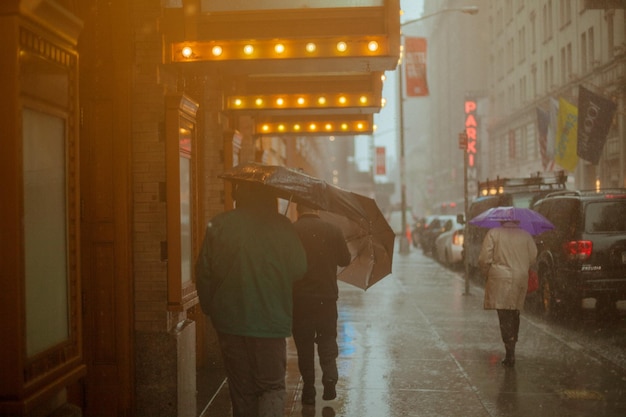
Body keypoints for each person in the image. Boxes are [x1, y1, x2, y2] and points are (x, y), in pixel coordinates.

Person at [196, 182, 307, 417]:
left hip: (230, 321)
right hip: (270, 322)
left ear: (238, 195)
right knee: (271, 387)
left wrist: (210, 308)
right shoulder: (282, 225)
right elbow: (299, 268)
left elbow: (204, 272)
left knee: (241, 389)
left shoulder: (220, 224)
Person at [292, 203, 351, 405]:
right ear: (317, 209)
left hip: (300, 299)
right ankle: (330, 376)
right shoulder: (333, 230)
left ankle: (308, 387)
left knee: (304, 344)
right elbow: (345, 259)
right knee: (327, 338)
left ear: (298, 209)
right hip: (326, 298)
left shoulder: (292, 230)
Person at [478, 219, 537, 368]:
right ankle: (512, 346)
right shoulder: (525, 235)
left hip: (500, 279)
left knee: (503, 315)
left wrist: (488, 273)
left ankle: (509, 348)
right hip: (520, 278)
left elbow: (484, 259)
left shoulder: (493, 233)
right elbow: (532, 257)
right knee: (514, 312)